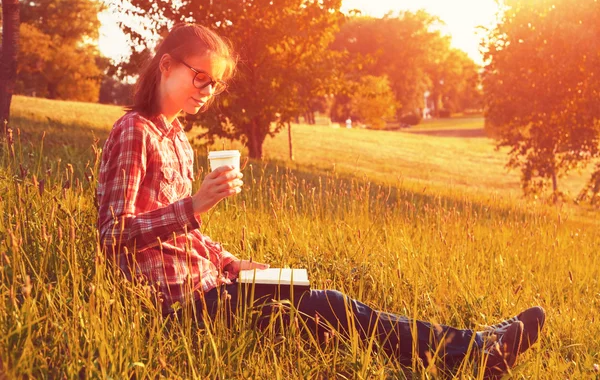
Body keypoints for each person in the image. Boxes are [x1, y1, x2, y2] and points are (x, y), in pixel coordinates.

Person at [96, 23, 545, 378]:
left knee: (313, 299)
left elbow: (183, 237)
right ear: (167, 64)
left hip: (215, 287)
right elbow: (113, 233)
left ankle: (464, 352)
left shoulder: (176, 139)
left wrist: (233, 264)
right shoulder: (134, 131)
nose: (206, 91)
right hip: (180, 307)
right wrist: (193, 207)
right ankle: (474, 353)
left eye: (214, 84)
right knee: (325, 305)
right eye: (199, 77)